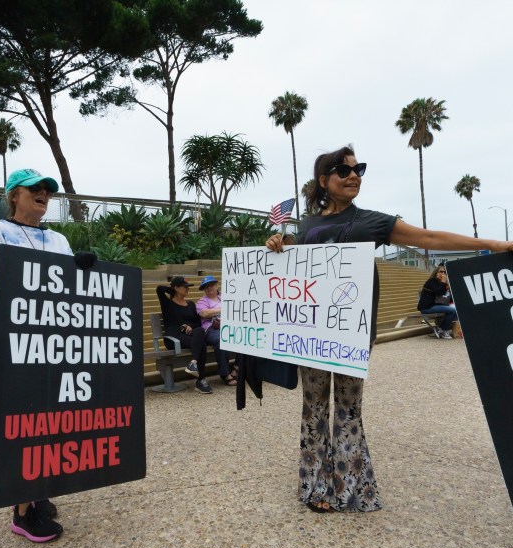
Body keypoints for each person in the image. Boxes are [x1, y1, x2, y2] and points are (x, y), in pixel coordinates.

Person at [266, 145, 513, 513]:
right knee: (313, 406)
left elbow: (428, 238)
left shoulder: (372, 221)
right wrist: (277, 246)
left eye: (358, 169)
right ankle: (314, 486)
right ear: (323, 180)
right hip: (311, 335)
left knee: (348, 408)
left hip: (351, 333)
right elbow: (297, 271)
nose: (354, 175)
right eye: (343, 170)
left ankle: (351, 489)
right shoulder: (307, 226)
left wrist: (491, 244)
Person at [0, 168, 90, 542]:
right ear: (13, 195)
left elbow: (75, 288)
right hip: (14, 341)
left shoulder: (58, 239)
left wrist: (86, 272)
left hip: (55, 341)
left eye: (47, 191)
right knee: (21, 418)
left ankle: (38, 490)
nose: (43, 194)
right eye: (34, 189)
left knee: (51, 417)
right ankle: (21, 512)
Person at [156, 276, 213, 394]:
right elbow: (159, 289)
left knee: (200, 333)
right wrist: (173, 289)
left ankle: (193, 363)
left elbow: (198, 323)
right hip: (173, 337)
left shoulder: (191, 304)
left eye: (188, 287)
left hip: (189, 336)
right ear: (176, 288)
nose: (188, 289)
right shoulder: (167, 303)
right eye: (185, 287)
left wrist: (190, 326)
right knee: (200, 344)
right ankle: (200, 381)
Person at [196, 275, 236, 386]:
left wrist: (214, 311)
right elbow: (204, 313)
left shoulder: (224, 298)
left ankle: (237, 367)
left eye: (211, 285)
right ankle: (224, 373)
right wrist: (224, 309)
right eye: (206, 287)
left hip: (227, 328)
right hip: (210, 329)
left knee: (244, 336)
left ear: (216, 285)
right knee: (221, 339)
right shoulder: (202, 301)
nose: (209, 288)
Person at [417, 265, 458, 339]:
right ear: (436, 273)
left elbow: (445, 294)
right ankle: (442, 329)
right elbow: (439, 292)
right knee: (452, 310)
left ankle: (441, 329)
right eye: (441, 272)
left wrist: (447, 286)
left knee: (456, 309)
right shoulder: (431, 281)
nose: (442, 274)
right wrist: (443, 282)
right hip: (426, 307)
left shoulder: (440, 284)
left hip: (434, 305)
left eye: (444, 272)